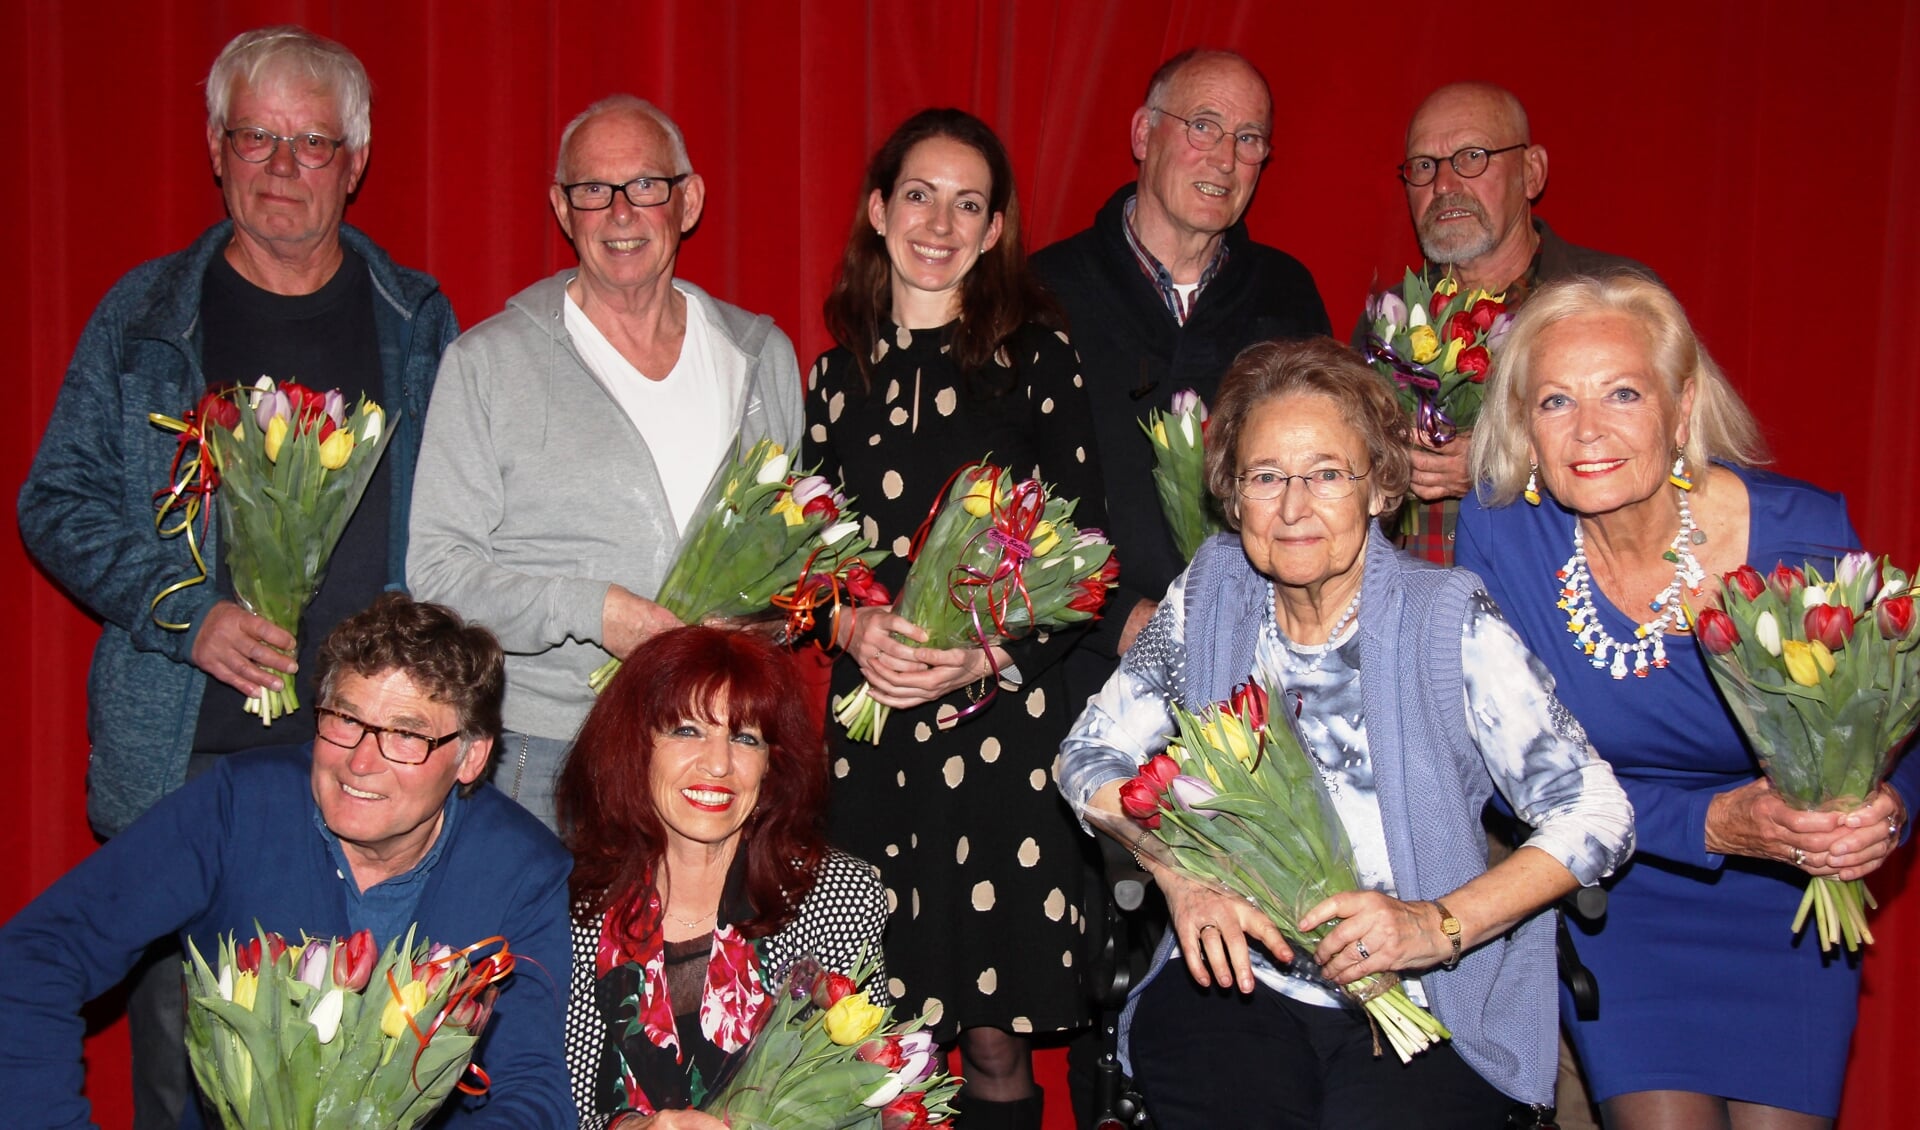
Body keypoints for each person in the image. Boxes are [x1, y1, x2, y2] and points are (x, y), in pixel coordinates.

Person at [14, 26, 457, 1126]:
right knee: (189, 1084)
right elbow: (52, 502)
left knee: (370, 1081)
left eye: (312, 143)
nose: (282, 166)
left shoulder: (419, 323)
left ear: (356, 160)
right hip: (190, 768)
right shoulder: (146, 318)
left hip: (375, 771)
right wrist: (187, 611)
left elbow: (460, 531)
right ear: (216, 147)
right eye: (256, 136)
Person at [1056, 337, 1634, 1128]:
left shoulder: (1446, 622)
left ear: (1378, 488)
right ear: (1231, 494)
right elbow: (1087, 754)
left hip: (1423, 1000)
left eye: (1327, 474)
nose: (1294, 508)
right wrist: (1178, 876)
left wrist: (1436, 925)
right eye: (1266, 478)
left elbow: (1598, 813)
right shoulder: (1211, 595)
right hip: (1241, 985)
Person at [1458, 274, 1919, 1129]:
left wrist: (1885, 810)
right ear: (1524, 425)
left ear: (1682, 408)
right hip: (1622, 889)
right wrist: (1707, 825)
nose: (1588, 430)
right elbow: (1498, 769)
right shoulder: (1500, 539)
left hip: (1786, 901)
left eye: (1623, 393)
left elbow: (1891, 718)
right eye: (1556, 401)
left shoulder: (1803, 538)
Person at [804, 108, 1107, 1129]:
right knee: (870, 1028)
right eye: (919, 194)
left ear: (992, 231)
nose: (939, 221)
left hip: (1000, 742)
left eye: (967, 202)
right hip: (873, 737)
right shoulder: (832, 378)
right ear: (879, 211)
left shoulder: (1040, 363)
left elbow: (1084, 561)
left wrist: (979, 656)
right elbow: (808, 566)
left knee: (990, 1033)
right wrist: (848, 629)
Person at [0, 594, 574, 1129]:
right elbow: (38, 958)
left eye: (404, 735)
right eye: (346, 720)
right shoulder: (241, 806)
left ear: (470, 757)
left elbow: (529, 1086)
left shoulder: (521, 869)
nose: (360, 762)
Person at [408, 94, 802, 833]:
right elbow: (439, 575)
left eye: (647, 186)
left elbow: (792, 569)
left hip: (720, 757)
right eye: (594, 190)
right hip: (551, 757)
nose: (621, 212)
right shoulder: (487, 365)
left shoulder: (759, 358)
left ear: (688, 201)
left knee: (707, 955)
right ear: (563, 208)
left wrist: (758, 626)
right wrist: (595, 612)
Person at [1032, 48, 1330, 668]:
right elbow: (1010, 495)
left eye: (1248, 139)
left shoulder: (1288, 292)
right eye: (1203, 126)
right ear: (1144, 133)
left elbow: (1332, 481)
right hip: (1084, 669)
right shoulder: (1044, 290)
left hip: (1262, 666)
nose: (1224, 158)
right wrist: (1122, 622)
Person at [557, 626, 888, 1128]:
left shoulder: (837, 895)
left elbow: (862, 1094)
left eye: (745, 738)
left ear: (771, 766)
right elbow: (550, 1099)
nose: (718, 764)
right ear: (636, 747)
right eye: (687, 730)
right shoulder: (570, 899)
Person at [1387, 81, 1655, 564]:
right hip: (1409, 615)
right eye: (1424, 166)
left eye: (1472, 157)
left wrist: (1507, 462)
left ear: (1531, 174)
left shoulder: (1616, 305)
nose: (1444, 185)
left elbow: (1677, 466)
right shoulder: (1386, 321)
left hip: (1563, 612)